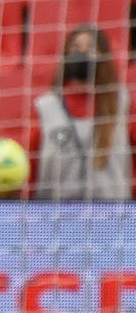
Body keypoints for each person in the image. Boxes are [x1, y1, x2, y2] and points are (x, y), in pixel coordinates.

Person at [33, 23, 132, 201]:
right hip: (56, 212)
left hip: (112, 214)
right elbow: (31, 163)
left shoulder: (122, 103)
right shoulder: (45, 106)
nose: (82, 53)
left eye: (90, 47)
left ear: (104, 56)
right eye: (76, 47)